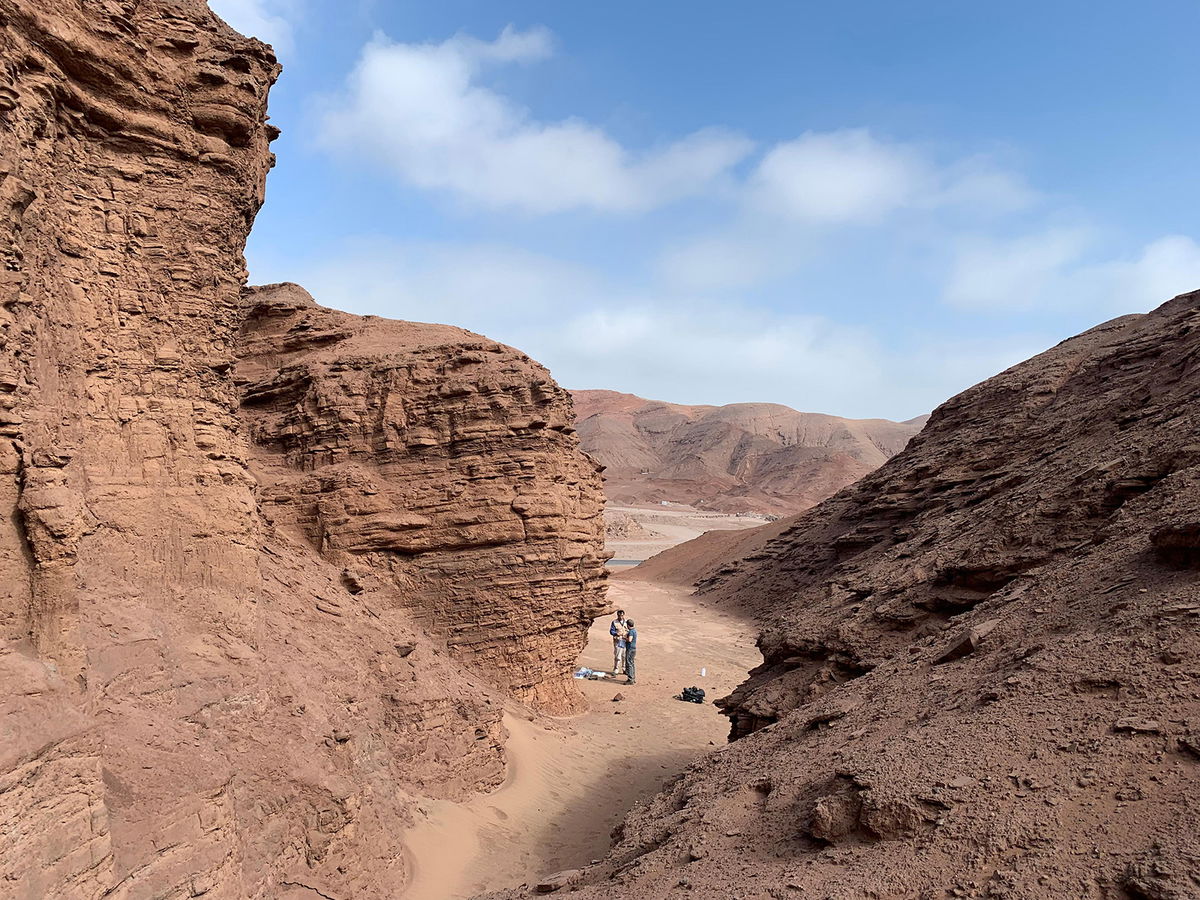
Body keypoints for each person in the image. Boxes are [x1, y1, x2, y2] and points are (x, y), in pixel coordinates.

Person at [609, 609, 628, 676]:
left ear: (623, 615)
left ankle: (624, 669)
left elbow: (629, 630)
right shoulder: (614, 622)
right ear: (617, 615)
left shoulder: (626, 622)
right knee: (618, 656)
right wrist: (616, 634)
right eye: (619, 615)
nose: (620, 617)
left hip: (625, 641)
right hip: (618, 641)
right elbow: (611, 631)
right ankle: (616, 669)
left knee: (624, 656)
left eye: (622, 615)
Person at [624, 619, 637, 685]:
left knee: (629, 663)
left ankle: (630, 679)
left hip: (630, 649)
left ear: (628, 625)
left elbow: (630, 640)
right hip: (633, 648)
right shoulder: (634, 630)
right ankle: (633, 678)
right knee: (632, 663)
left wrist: (624, 638)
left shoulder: (631, 631)